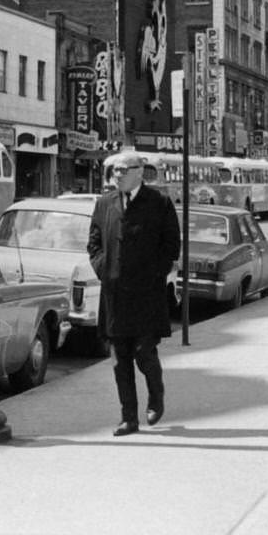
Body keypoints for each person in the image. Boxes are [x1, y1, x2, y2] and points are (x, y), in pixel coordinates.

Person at [87, 151, 181, 437]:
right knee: (119, 360)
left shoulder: (159, 203)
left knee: (144, 353)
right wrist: (103, 268)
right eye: (114, 170)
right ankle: (129, 417)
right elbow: (93, 243)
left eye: (123, 170)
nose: (117, 175)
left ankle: (156, 395)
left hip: (146, 294)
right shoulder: (105, 203)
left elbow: (171, 245)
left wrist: (156, 274)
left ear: (140, 171)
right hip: (114, 294)